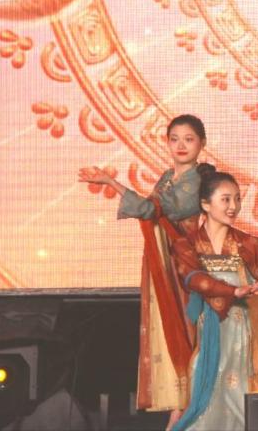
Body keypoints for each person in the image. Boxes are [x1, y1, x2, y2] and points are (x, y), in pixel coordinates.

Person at [78, 114, 213, 429]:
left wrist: (111, 182)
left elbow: (153, 210)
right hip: (163, 262)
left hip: (183, 264)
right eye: (174, 139)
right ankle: (179, 406)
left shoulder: (196, 181)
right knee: (167, 328)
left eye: (189, 139)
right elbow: (152, 211)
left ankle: (188, 406)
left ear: (202, 144)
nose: (181, 145)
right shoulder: (167, 177)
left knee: (185, 328)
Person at [170, 171, 258, 431]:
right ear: (206, 204)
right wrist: (234, 292)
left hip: (245, 335)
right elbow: (194, 279)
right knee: (205, 386)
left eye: (237, 199)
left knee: (242, 393)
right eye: (225, 199)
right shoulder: (186, 244)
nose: (233, 206)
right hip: (209, 331)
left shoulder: (249, 244)